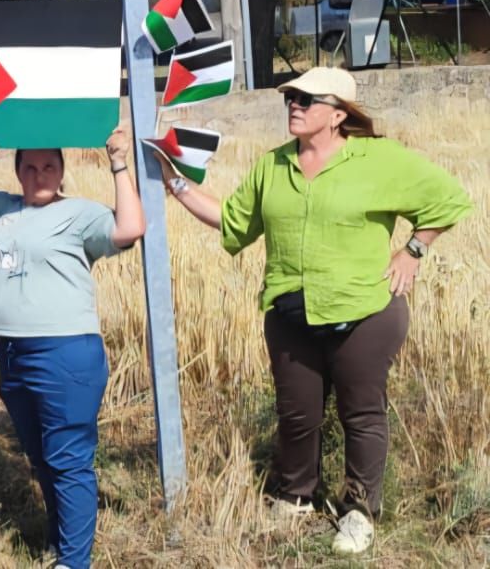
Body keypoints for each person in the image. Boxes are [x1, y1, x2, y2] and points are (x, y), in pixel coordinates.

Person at [161, 67, 469, 554]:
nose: (294, 105)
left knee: (361, 413)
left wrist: (413, 251)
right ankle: (295, 497)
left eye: (307, 99)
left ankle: (359, 512)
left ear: (339, 114)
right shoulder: (273, 165)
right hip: (290, 315)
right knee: (297, 413)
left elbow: (448, 201)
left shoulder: (379, 160)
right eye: (291, 97)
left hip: (365, 312)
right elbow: (234, 222)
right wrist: (176, 185)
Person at [0, 132, 145, 569]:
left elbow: (129, 228)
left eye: (49, 167)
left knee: (68, 459)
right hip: (12, 354)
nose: (39, 175)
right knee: (41, 458)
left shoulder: (78, 213)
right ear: (17, 172)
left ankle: (75, 562)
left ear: (62, 172)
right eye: (30, 167)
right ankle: (61, 542)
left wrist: (118, 163)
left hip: (65, 353)